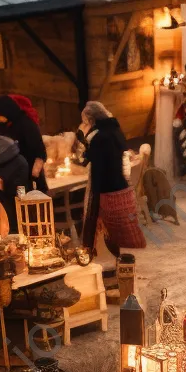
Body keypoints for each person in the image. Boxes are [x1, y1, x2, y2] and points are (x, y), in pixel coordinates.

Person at [78, 101, 146, 258]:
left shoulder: (99, 137)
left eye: (84, 121)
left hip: (107, 190)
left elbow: (96, 165)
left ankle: (116, 260)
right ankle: (121, 260)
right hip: (121, 185)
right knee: (119, 230)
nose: (83, 124)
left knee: (111, 229)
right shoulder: (114, 130)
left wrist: (94, 197)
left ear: (90, 119)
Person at [0, 94, 47, 191]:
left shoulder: (26, 124)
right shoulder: (2, 125)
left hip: (28, 170)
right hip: (10, 172)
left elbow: (39, 150)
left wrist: (35, 172)